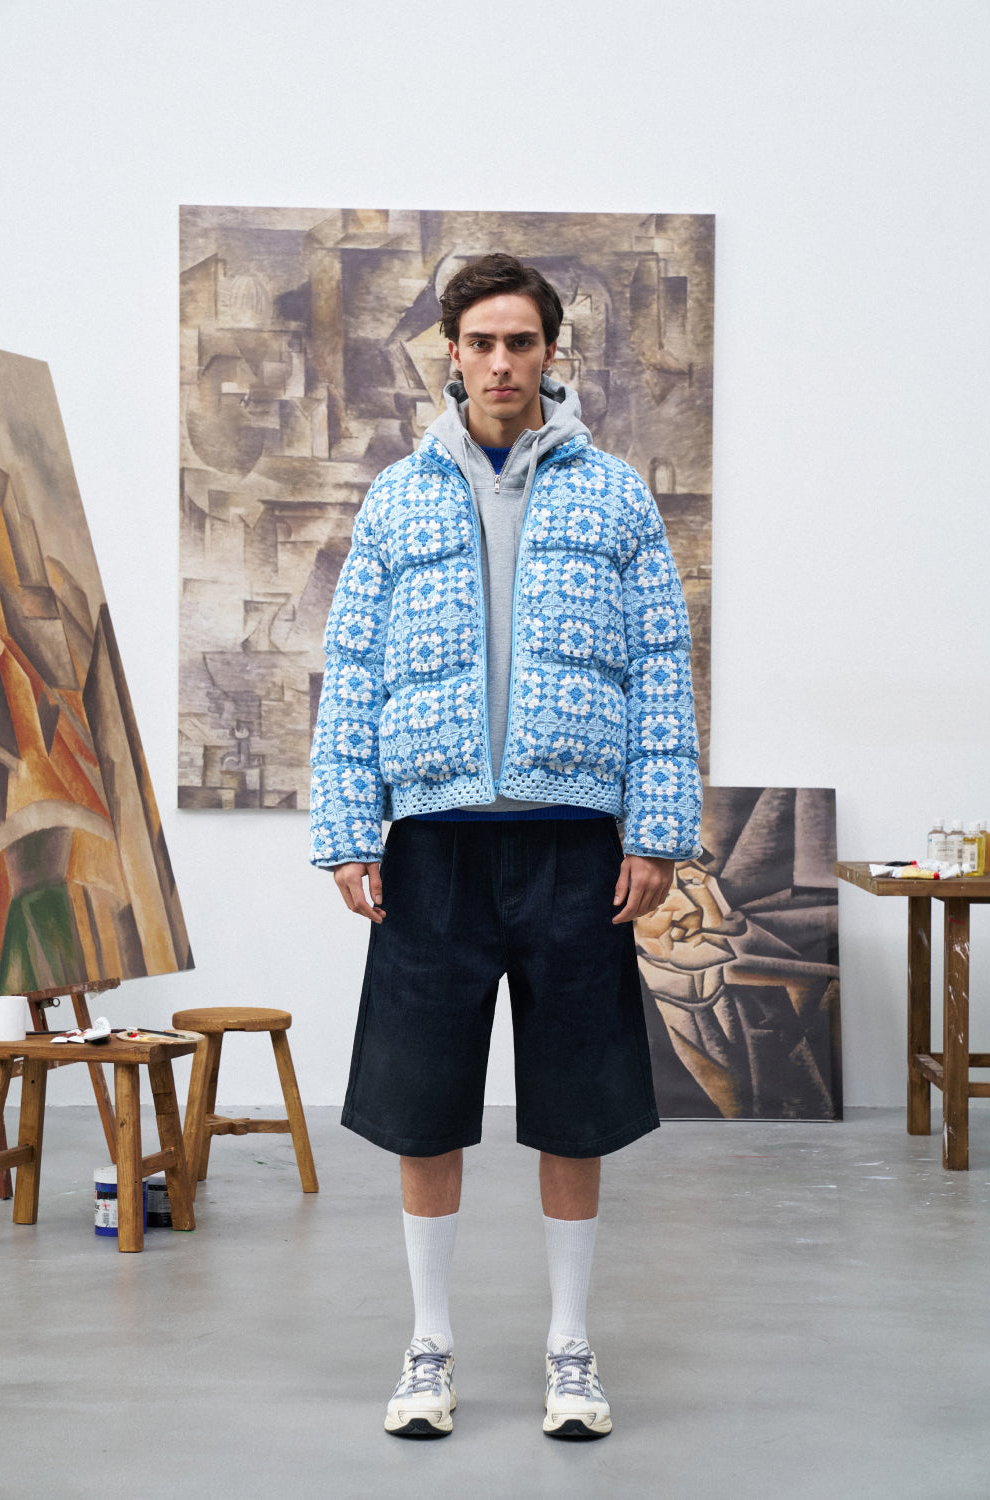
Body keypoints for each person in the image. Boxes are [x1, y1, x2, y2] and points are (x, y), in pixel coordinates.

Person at [310, 252, 702, 1440]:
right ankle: (428, 1348)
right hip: (431, 849)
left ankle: (570, 1350)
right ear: (450, 352)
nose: (498, 362)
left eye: (519, 342)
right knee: (422, 1107)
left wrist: (657, 829)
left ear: (549, 353)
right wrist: (348, 829)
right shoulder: (397, 498)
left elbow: (662, 672)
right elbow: (351, 672)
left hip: (574, 849)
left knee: (576, 1108)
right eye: (479, 342)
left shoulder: (615, 497)